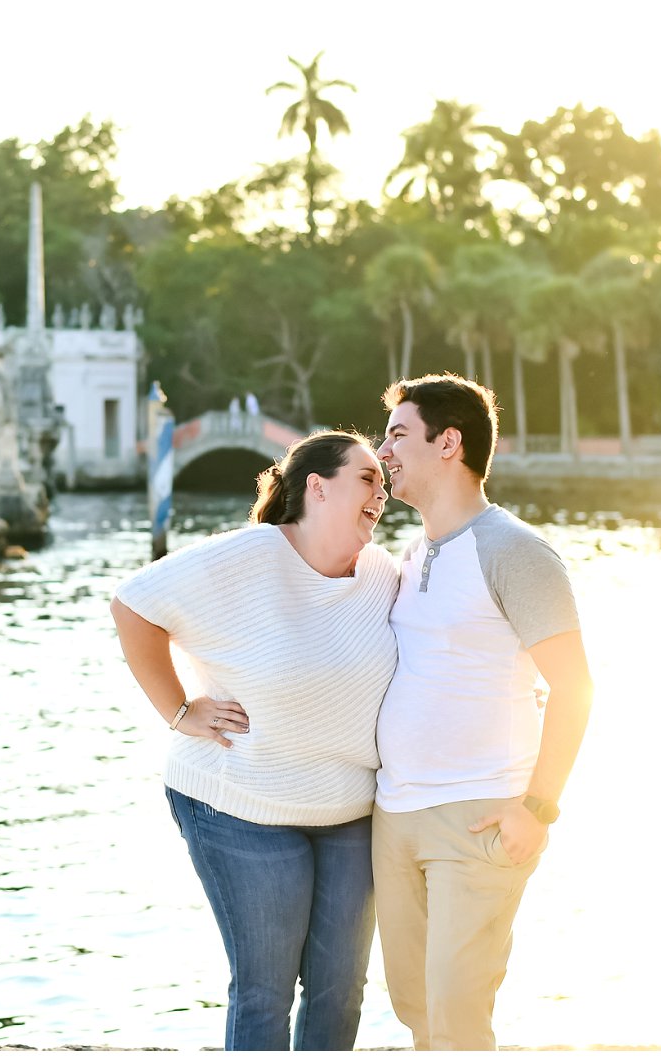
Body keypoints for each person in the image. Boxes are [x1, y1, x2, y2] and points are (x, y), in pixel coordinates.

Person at [111, 431, 399, 1050]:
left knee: (340, 988)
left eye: (384, 480)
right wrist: (179, 708)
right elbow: (133, 605)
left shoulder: (384, 574)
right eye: (368, 477)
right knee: (264, 991)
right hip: (239, 806)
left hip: (350, 811)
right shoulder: (247, 556)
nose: (384, 490)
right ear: (317, 488)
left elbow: (445, 637)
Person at [371, 373, 595, 1051]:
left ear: (449, 442)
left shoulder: (514, 550)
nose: (383, 450)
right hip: (396, 816)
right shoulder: (411, 556)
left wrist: (539, 807)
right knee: (415, 1009)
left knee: (458, 1018)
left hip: (477, 819)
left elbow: (575, 687)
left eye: (398, 434)